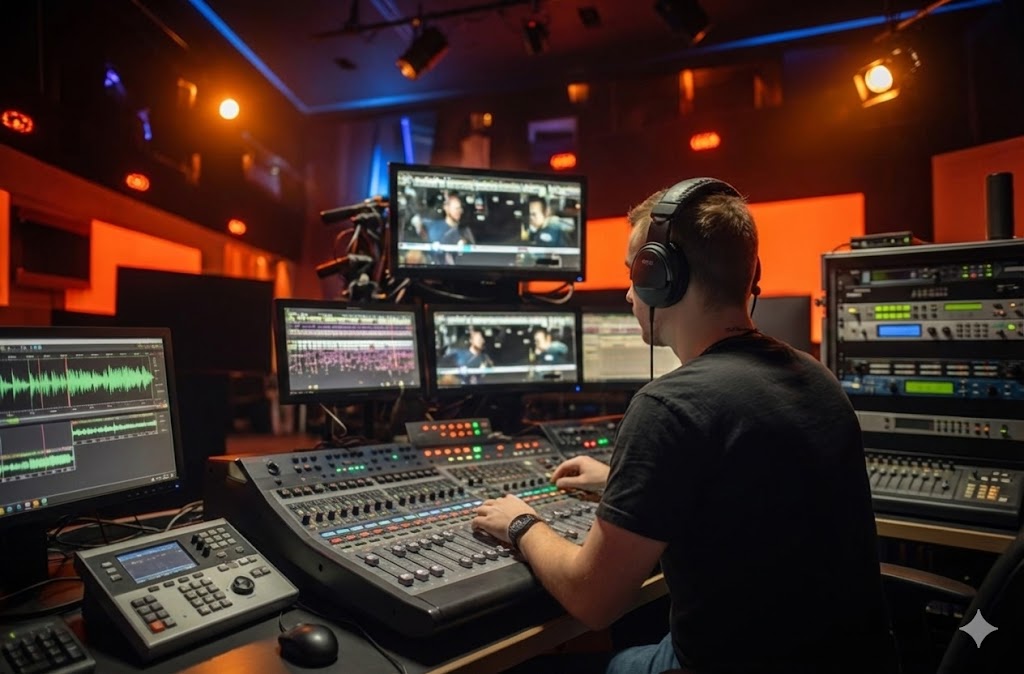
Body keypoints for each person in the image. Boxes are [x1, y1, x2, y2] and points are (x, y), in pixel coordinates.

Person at [472, 179, 898, 674]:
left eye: (636, 273)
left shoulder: (668, 406)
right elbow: (747, 493)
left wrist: (523, 525)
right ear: (751, 274)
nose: (630, 291)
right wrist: (621, 481)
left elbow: (593, 601)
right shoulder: (816, 376)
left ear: (663, 277)